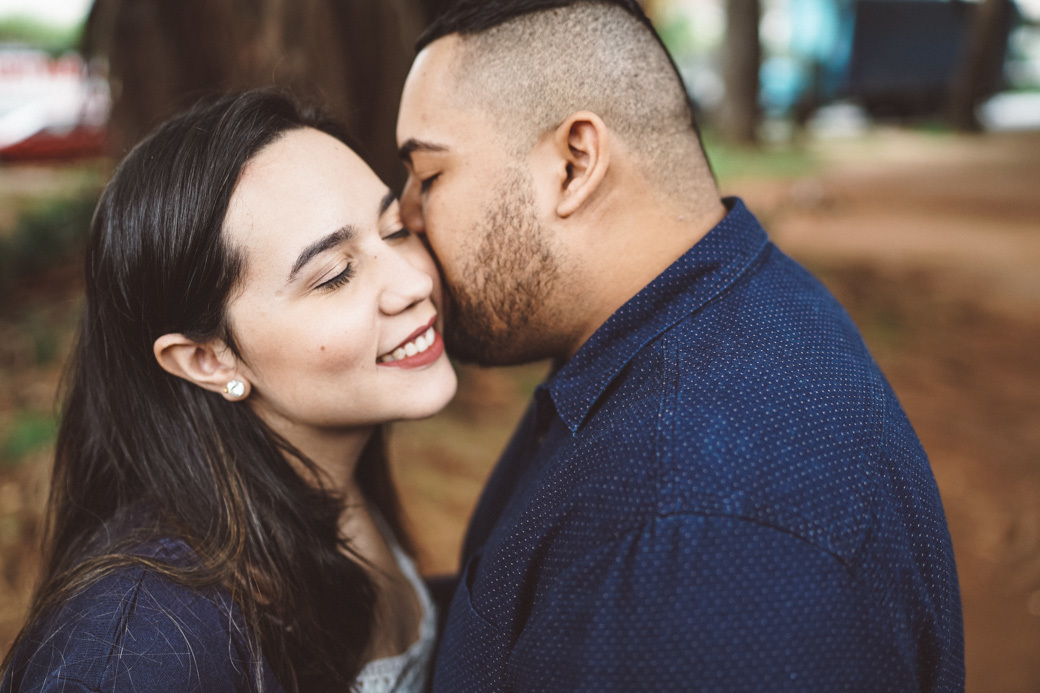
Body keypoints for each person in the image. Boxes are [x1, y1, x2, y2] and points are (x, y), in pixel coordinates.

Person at [395, 0, 964, 690]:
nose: (404, 217)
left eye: (428, 175)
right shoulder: (686, 320)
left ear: (574, 164)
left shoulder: (704, 536)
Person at [1, 90, 457, 693]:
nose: (414, 281)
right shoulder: (139, 650)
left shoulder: (330, 483)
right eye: (335, 274)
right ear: (206, 359)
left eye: (394, 230)